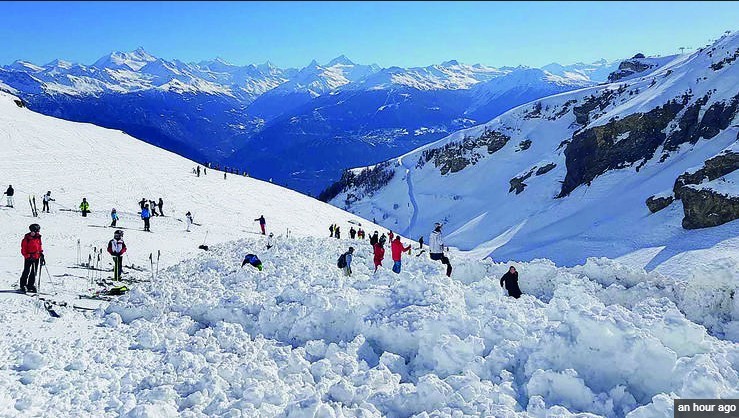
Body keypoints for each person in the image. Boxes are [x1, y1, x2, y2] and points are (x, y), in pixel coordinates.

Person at [20, 223, 44, 293]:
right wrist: (28, 256)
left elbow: (39, 246)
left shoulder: (38, 237)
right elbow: (23, 250)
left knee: (34, 272)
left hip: (36, 257)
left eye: (37, 231)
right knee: (26, 271)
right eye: (35, 231)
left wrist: (41, 253)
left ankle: (30, 285)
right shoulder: (26, 239)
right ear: (31, 231)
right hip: (29, 257)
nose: (36, 233)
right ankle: (23, 285)